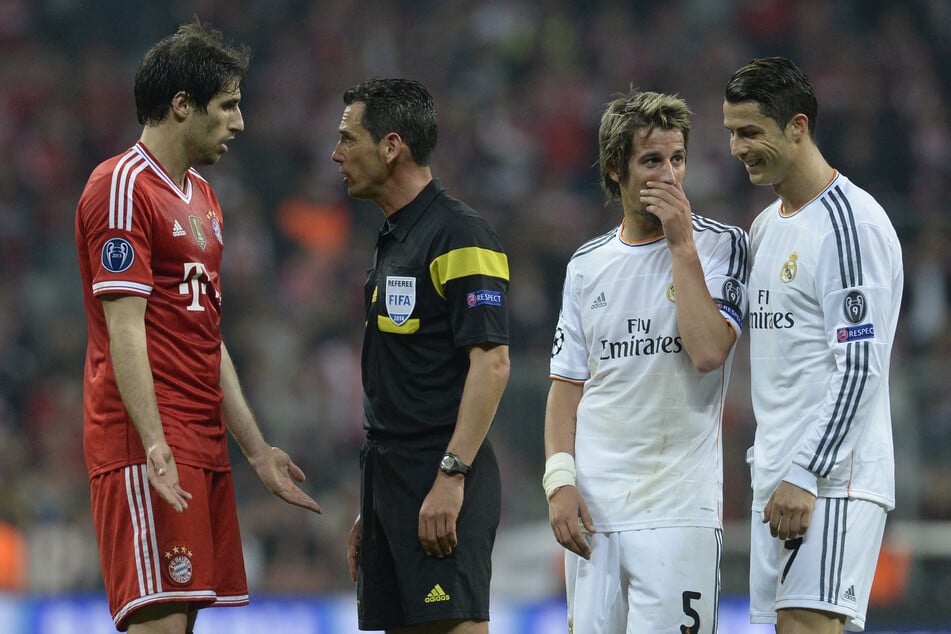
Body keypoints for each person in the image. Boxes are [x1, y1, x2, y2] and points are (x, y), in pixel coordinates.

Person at [75, 20, 322, 633]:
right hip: (146, 443)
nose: (240, 123)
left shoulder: (205, 198)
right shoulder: (121, 187)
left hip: (200, 443)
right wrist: (154, 442)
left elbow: (205, 336)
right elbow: (126, 328)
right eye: (229, 106)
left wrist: (257, 451)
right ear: (182, 106)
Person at [544, 87, 750, 633]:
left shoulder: (722, 246)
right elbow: (566, 387)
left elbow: (708, 352)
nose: (669, 174)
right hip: (594, 514)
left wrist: (681, 246)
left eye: (677, 158)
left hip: (679, 512)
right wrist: (559, 481)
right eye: (652, 160)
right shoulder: (586, 265)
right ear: (616, 171)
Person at [723, 57, 903, 634]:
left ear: (797, 127)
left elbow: (860, 367)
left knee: (804, 626)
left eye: (750, 132)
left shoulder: (851, 225)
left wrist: (807, 471)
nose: (736, 147)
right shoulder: (765, 227)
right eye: (731, 132)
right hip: (778, 480)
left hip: (830, 482)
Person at [332, 78, 511, 633]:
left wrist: (451, 476)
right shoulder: (395, 236)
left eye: (347, 139)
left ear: (391, 147)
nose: (336, 154)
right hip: (390, 477)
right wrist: (375, 502)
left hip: (442, 472)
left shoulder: (461, 234)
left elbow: (492, 363)